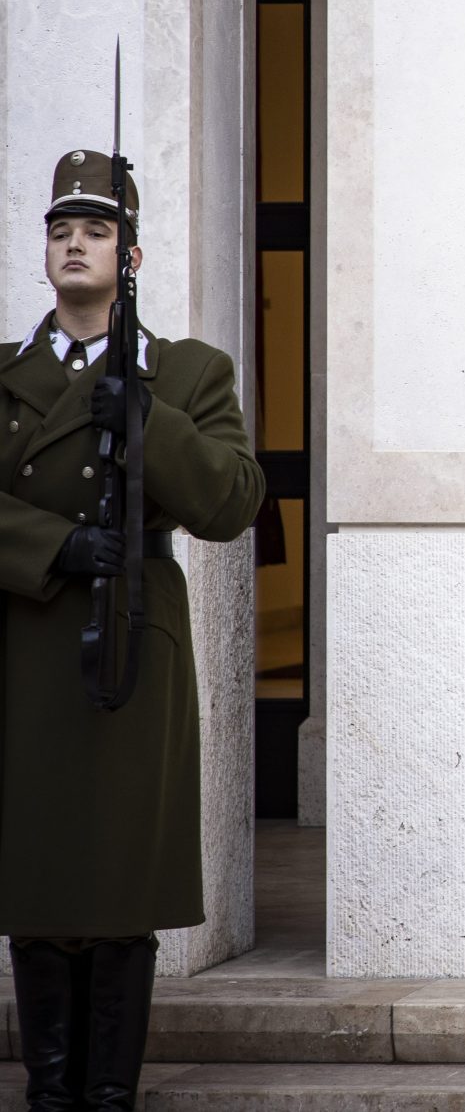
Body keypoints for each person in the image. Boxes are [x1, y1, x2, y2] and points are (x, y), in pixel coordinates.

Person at [1, 152, 264, 1112]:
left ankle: (110, 1095)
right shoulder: (5, 374)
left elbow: (235, 501)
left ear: (134, 253)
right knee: (38, 880)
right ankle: (51, 1092)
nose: (75, 242)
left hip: (132, 639)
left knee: (117, 880)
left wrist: (149, 418)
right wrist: (58, 544)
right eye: (61, 229)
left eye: (98, 229)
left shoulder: (188, 371)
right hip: (31, 638)